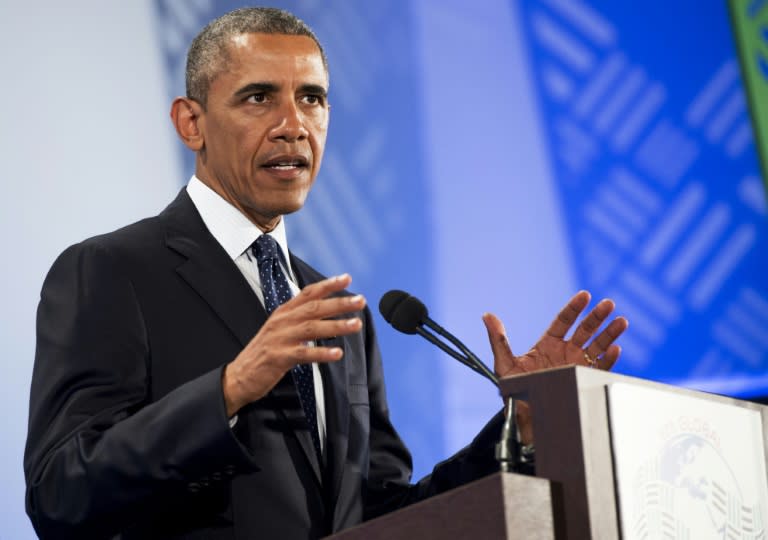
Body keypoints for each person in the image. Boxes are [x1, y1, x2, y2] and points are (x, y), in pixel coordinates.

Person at [24, 7, 628, 539]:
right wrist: (230, 388)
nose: (294, 124)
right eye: (259, 97)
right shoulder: (112, 271)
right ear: (192, 123)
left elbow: (381, 515)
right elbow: (61, 494)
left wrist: (517, 428)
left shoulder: (340, 315)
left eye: (311, 97)